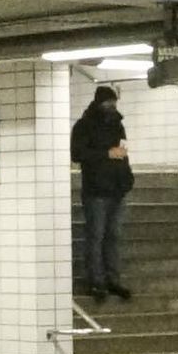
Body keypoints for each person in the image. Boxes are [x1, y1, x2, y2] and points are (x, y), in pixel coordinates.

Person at [70, 82, 134, 301]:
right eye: (109, 102)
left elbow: (123, 153)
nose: (112, 106)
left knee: (113, 236)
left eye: (113, 102)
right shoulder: (84, 126)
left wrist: (127, 177)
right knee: (96, 236)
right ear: (100, 103)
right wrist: (106, 153)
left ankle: (112, 279)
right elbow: (77, 154)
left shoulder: (117, 124)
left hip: (117, 188)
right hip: (95, 190)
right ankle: (96, 281)